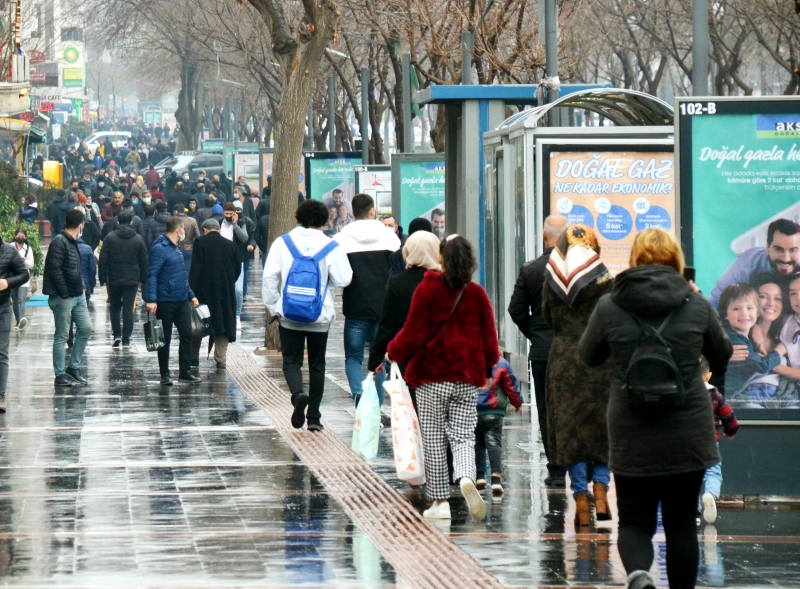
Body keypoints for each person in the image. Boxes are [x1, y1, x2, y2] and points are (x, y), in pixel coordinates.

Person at [579, 227, 732, 589]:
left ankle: (639, 575)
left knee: (634, 521)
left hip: (632, 428)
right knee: (681, 524)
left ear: (635, 260)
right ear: (676, 261)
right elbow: (722, 352)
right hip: (687, 428)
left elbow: (588, 356)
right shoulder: (694, 304)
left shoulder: (611, 305)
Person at [387, 235, 498, 522]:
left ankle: (440, 502)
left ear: (441, 259)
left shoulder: (427, 291)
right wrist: (486, 371)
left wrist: (392, 352)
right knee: (463, 437)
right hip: (466, 377)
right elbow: (489, 338)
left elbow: (414, 331)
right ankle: (464, 476)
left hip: (431, 377)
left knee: (434, 439)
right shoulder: (476, 294)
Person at [542, 224, 614, 527]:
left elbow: (546, 316)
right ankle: (601, 490)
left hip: (564, 362)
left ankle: (581, 498)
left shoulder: (552, 280)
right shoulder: (606, 281)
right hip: (601, 361)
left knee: (572, 432)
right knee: (602, 429)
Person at [262, 200, 353, 431]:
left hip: (289, 314)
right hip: (319, 316)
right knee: (317, 365)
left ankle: (297, 395)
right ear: (324, 220)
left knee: (291, 361)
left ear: (298, 217)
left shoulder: (283, 243)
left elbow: (269, 277)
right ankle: (313, 417)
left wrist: (274, 306)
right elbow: (344, 279)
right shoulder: (331, 246)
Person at [508, 215, 570, 486]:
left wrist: (534, 334)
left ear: (544, 236)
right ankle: (584, 463)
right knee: (574, 405)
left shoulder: (531, 270)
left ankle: (556, 468)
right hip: (574, 350)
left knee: (546, 408)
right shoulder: (577, 269)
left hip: (543, 351)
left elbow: (516, 310)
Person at [333, 193, 400, 407]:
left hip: (355, 307)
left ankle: (358, 393)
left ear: (353, 212)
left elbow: (340, 276)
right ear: (372, 211)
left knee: (353, 357)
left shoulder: (341, 239)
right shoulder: (390, 237)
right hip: (383, 307)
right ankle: (376, 407)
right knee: (378, 359)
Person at [367, 229, 440, 407]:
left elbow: (386, 325)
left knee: (410, 409)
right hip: (439, 355)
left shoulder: (397, 282)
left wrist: (375, 360)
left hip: (406, 356)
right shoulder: (444, 281)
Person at [145, 216, 201, 386]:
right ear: (179, 230)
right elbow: (152, 274)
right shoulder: (160, 248)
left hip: (181, 299)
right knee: (165, 339)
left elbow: (182, 275)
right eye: (183, 229)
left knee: (187, 334)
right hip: (165, 300)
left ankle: (185, 371)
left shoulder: (176, 247)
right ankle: (165, 374)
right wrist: (152, 299)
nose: (184, 232)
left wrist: (190, 294)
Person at [43, 208, 94, 388]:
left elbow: (73, 268)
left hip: (77, 295)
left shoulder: (72, 241)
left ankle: (73, 367)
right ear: (80, 225)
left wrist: (81, 287)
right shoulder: (59, 241)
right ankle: (59, 374)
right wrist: (64, 292)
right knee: (62, 335)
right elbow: (54, 270)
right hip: (63, 297)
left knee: (86, 328)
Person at [710, 218, 800, 308]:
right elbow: (716, 301)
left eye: (793, 250)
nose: (786, 258)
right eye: (778, 249)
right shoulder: (747, 263)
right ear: (767, 248)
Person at [718, 282, 785, 402]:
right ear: (725, 314)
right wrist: (780, 350)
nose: (744, 313)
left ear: (757, 312)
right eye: (736, 309)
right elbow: (761, 366)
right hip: (730, 396)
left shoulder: (741, 335)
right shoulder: (736, 340)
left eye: (749, 308)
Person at [189, 219, 241, 370]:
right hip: (225, 291)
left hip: (203, 291)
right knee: (223, 323)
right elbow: (237, 270)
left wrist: (191, 291)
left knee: (198, 323)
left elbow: (196, 268)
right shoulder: (232, 245)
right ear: (218, 229)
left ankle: (194, 357)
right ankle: (221, 358)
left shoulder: (200, 242)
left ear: (205, 229)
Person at [697, 356, 738, 525]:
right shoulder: (714, 393)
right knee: (712, 472)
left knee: (688, 478)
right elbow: (728, 416)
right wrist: (730, 430)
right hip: (710, 443)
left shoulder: (682, 393)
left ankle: (692, 512)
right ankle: (711, 495)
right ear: (708, 376)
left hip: (686, 444)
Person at [98, 212, 148, 349]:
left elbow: (103, 260)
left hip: (114, 279)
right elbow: (144, 261)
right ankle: (126, 339)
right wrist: (143, 279)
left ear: (118, 223)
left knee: (114, 307)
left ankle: (116, 335)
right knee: (128, 308)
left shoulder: (110, 238)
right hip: (132, 280)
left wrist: (102, 278)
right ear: (132, 222)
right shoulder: (138, 239)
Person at [475, 357, 523, 495]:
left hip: (475, 410)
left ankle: (480, 476)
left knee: (478, 442)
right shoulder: (502, 363)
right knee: (494, 443)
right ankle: (496, 480)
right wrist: (517, 403)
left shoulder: (472, 359)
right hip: (494, 411)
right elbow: (511, 387)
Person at [0, 231, 29, 411]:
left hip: (2, 307)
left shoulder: (9, 251)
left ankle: (0, 395)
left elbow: (24, 274)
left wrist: (8, 282)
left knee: (1, 353)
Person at [221, 202, 251, 327]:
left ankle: (237, 315)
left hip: (237, 261)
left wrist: (235, 225)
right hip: (221, 262)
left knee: (238, 290)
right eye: (226, 213)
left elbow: (244, 239)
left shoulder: (241, 223)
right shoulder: (218, 223)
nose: (228, 216)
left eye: (231, 214)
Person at [10, 227, 34, 329]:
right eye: (19, 236)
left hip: (24, 276)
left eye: (23, 236)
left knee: (21, 298)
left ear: (26, 237)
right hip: (12, 276)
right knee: (14, 299)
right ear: (15, 236)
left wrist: (24, 261)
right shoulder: (10, 247)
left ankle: (22, 319)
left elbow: (31, 264)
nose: (20, 238)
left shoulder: (28, 248)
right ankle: (18, 320)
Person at [173, 204, 200, 271]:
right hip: (189, 248)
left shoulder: (172, 221)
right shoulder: (192, 220)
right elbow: (198, 236)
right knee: (188, 270)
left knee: (177, 270)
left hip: (175, 249)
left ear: (176, 211)